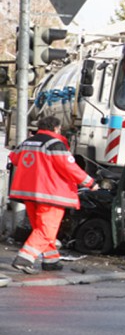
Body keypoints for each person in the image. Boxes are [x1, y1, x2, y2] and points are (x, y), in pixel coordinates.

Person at [10, 116, 99, 274]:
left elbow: (15, 159)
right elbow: (68, 167)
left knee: (41, 228)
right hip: (50, 194)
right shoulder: (54, 144)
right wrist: (90, 182)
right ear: (56, 128)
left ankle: (51, 260)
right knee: (46, 231)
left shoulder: (27, 142)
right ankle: (24, 259)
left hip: (27, 192)